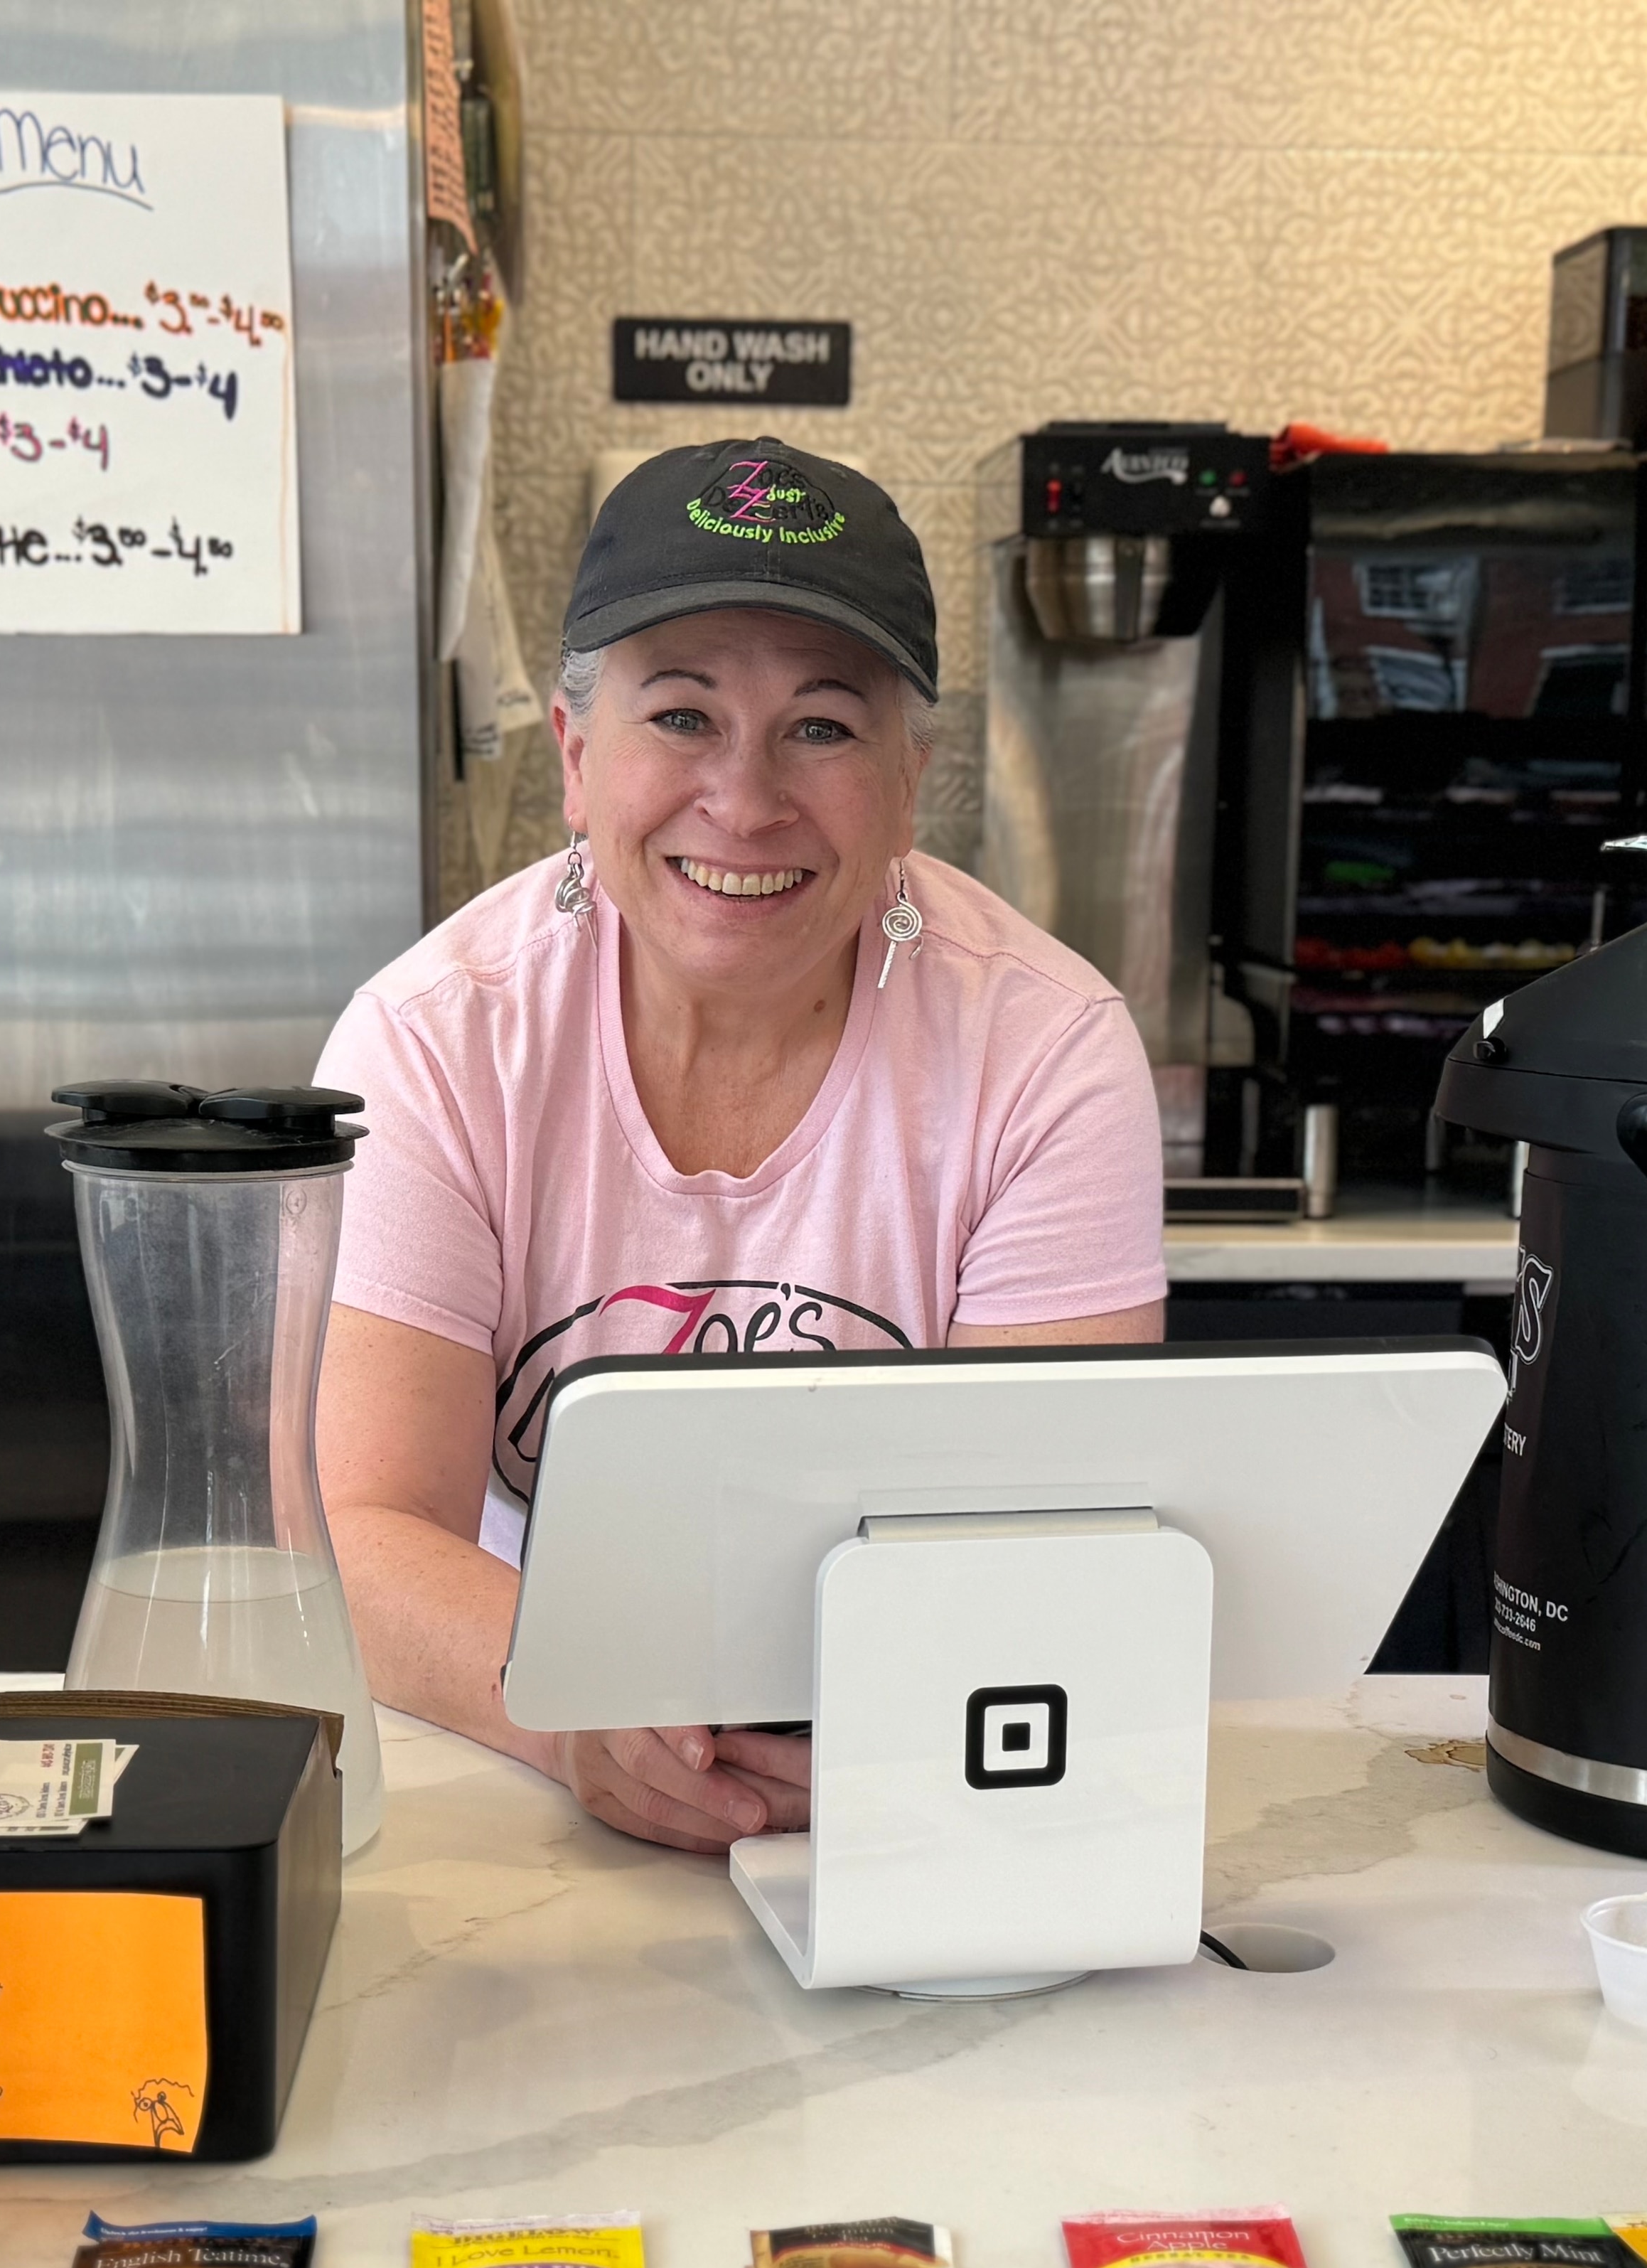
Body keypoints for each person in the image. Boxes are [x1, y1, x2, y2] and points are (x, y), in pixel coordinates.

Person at [315, 437, 1164, 1852]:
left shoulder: (1047, 1054)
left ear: (909, 781)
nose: (747, 798)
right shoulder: (433, 1042)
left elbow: (1044, 1543)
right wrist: (579, 1708)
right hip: (518, 1755)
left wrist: (886, 1739)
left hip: (923, 1770)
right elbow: (357, 1531)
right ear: (580, 764)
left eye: (823, 728)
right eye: (684, 716)